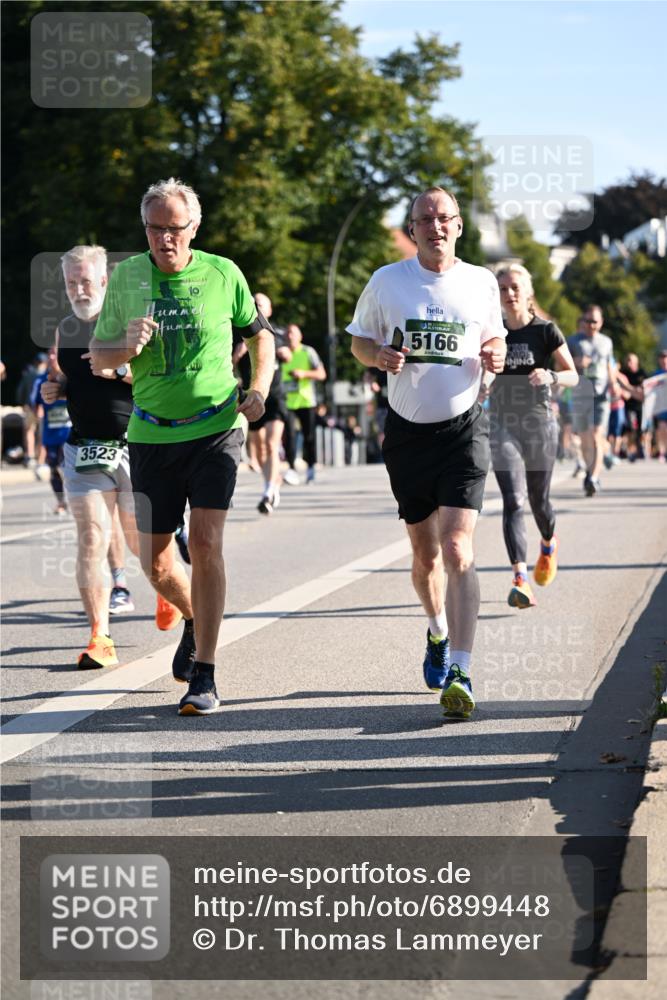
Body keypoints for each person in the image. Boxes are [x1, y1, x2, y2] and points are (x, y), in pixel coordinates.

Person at [90, 177, 274, 716]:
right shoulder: (126, 277)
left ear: (194, 227)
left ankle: (206, 673)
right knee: (154, 562)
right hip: (150, 433)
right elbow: (100, 359)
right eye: (155, 229)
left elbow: (260, 333)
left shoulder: (223, 273)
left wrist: (259, 389)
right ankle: (193, 619)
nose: (165, 240)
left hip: (215, 427)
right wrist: (126, 344)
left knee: (208, 543)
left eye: (174, 229)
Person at [347, 185, 506, 720]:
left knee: (458, 548)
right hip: (408, 435)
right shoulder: (387, 281)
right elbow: (358, 342)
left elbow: (494, 341)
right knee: (425, 556)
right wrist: (379, 356)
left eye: (445, 218)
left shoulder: (482, 282)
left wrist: (496, 352)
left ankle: (460, 668)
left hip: (465, 429)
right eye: (425, 219)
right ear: (412, 228)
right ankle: (437, 630)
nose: (435, 226)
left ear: (459, 226)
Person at [41, 245, 151, 669]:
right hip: (84, 447)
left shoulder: (127, 323)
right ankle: (99, 637)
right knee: (92, 539)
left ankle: (167, 595)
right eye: (71, 282)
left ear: (104, 280)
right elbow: (71, 379)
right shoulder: (65, 328)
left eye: (86, 280)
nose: (79, 288)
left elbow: (157, 381)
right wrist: (57, 389)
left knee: (143, 543)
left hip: (135, 444)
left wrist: (119, 371)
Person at [485, 265, 578, 609]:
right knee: (514, 500)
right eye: (503, 288)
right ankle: (520, 578)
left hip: (539, 423)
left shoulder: (546, 331)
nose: (509, 294)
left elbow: (573, 375)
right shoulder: (491, 332)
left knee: (539, 501)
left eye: (514, 288)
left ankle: (549, 542)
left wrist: (551, 376)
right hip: (501, 422)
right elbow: (481, 370)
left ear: (528, 293)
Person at [232, 293, 292, 514]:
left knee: (271, 444)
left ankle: (269, 492)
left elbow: (287, 354)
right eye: (254, 302)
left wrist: (268, 346)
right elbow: (228, 363)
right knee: (258, 452)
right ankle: (273, 481)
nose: (256, 305)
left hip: (274, 396)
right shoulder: (239, 334)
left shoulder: (276, 331)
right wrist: (237, 355)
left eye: (261, 303)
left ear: (269, 309)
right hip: (251, 396)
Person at [568, 305, 617, 496]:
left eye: (595, 321)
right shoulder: (572, 341)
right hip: (581, 394)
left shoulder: (607, 342)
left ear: (601, 322)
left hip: (601, 395)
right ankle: (591, 471)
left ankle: (593, 478)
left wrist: (614, 384)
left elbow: (609, 365)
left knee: (597, 436)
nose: (591, 325)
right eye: (588, 321)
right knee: (586, 440)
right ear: (583, 321)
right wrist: (576, 363)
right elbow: (560, 364)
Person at [281, 324, 326, 484]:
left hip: (306, 401)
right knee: (290, 437)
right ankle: (292, 469)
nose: (289, 336)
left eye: (293, 333)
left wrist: (303, 374)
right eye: (287, 333)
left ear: (300, 336)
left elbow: (322, 374)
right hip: (287, 402)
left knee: (309, 436)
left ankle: (311, 467)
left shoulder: (308, 352)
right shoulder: (281, 353)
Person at [31, 346, 71, 515]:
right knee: (54, 469)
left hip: (70, 434)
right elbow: (33, 404)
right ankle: (61, 501)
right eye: (50, 354)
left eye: (56, 353)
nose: (53, 357)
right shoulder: (41, 380)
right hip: (50, 433)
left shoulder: (71, 377)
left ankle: (76, 499)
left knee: (69, 470)